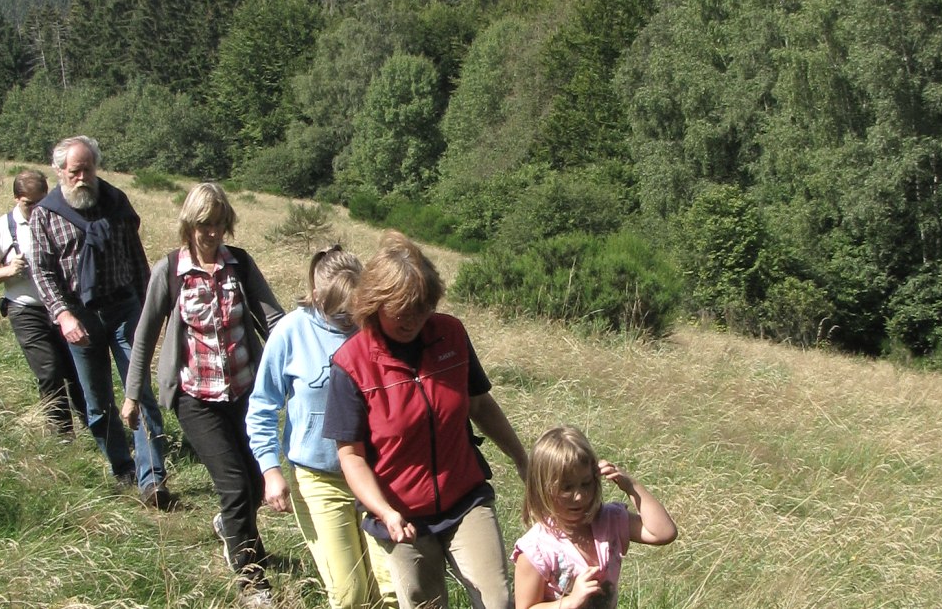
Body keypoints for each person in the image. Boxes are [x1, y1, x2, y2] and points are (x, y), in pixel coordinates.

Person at [323, 231, 530, 609]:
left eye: (422, 307)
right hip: (401, 515)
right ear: (374, 303)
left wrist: (521, 458)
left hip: (464, 498)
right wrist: (385, 511)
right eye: (400, 309)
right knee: (423, 603)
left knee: (498, 600)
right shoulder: (351, 364)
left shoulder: (450, 335)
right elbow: (350, 456)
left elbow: (480, 406)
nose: (413, 319)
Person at [124, 182, 284, 608]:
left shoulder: (241, 266)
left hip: (245, 393)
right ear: (188, 225)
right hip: (195, 397)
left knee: (254, 479)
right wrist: (131, 395)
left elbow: (273, 318)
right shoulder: (169, 272)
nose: (211, 233)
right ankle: (252, 580)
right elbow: (144, 335)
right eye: (203, 225)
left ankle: (231, 527)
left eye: (218, 224)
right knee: (234, 485)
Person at [246, 245, 397, 609]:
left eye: (356, 311)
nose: (350, 321)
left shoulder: (373, 330)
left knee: (392, 590)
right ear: (317, 297)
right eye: (341, 314)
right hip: (319, 478)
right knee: (350, 595)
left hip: (374, 475)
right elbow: (262, 405)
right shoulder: (290, 333)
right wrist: (270, 470)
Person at [27, 135, 168, 506]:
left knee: (140, 393)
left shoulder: (116, 202)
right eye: (75, 171)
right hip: (80, 317)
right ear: (59, 172)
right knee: (97, 403)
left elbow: (137, 259)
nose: (83, 178)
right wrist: (63, 315)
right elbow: (42, 272)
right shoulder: (46, 214)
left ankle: (152, 479)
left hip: (124, 309)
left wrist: (149, 311)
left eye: (88, 169)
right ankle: (122, 466)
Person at [512, 427, 678, 609]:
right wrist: (570, 602)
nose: (579, 496)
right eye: (566, 488)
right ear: (542, 488)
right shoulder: (537, 548)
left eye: (586, 483)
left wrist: (631, 486)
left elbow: (664, 533)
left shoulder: (609, 521)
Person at [0, 169, 86, 437]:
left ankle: (99, 429)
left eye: (41, 201)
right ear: (16, 199)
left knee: (79, 371)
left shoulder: (58, 220)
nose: (36, 208)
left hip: (64, 309)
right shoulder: (2, 228)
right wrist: (8, 271)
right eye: (29, 203)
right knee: (49, 371)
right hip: (26, 310)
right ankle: (63, 437)